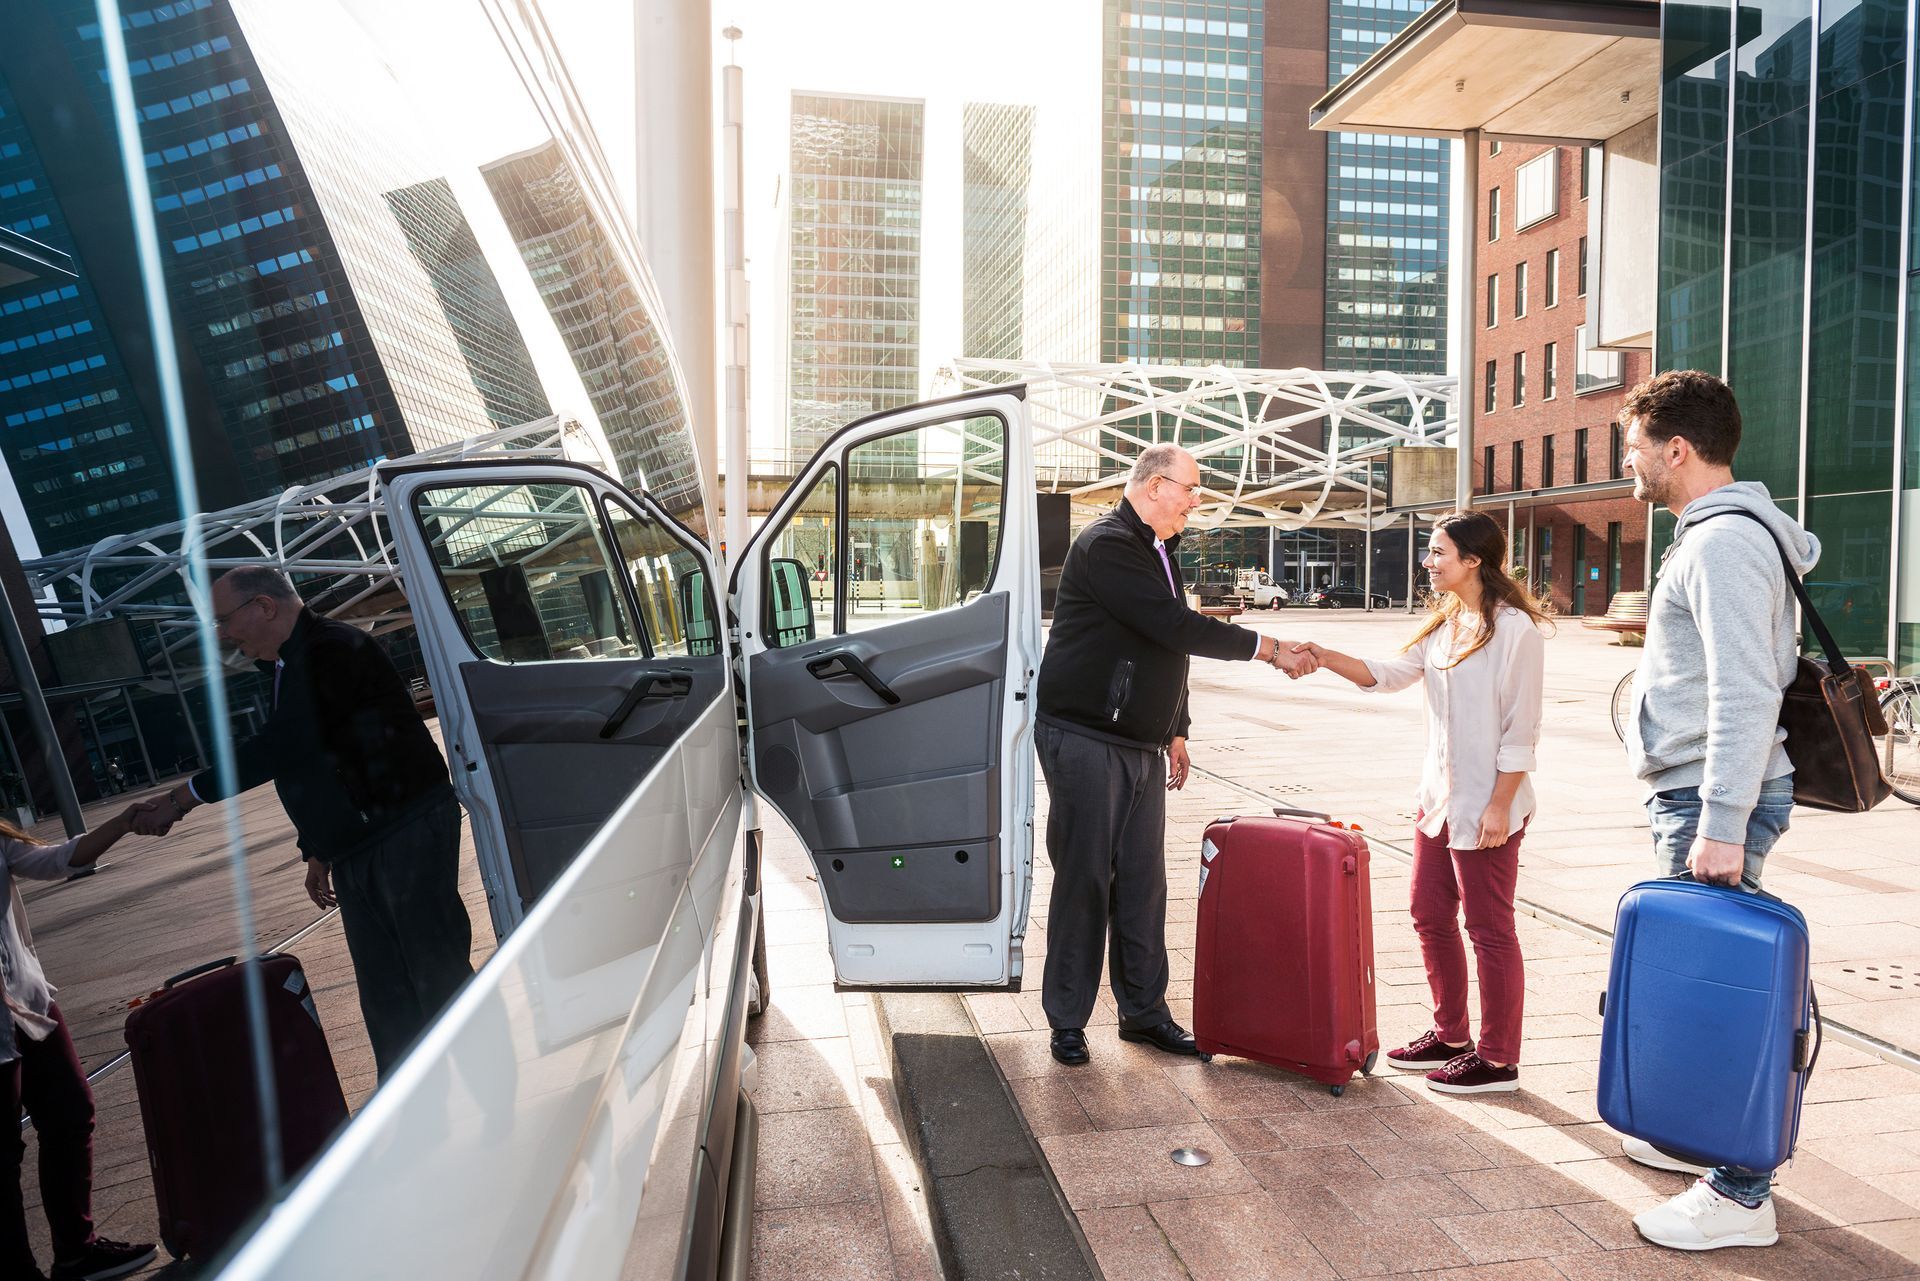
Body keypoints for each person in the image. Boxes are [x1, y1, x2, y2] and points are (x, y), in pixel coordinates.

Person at [1612, 370, 1816, 1251]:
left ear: (1676, 448)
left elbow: (1744, 691)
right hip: (1699, 788)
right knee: (1698, 977)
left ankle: (1740, 1191)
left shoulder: (1722, 543)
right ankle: (1703, 1139)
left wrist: (1722, 821)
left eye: (1634, 449)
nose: (1631, 466)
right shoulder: (1720, 535)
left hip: (1711, 794)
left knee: (1716, 988)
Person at [1033, 444, 1315, 1066]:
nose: (1195, 501)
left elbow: (1166, 648)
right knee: (1084, 878)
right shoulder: (1107, 543)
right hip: (1086, 735)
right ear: (1156, 486)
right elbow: (1172, 625)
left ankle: (1143, 1014)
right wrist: (1269, 647)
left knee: (1141, 883)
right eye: (1189, 489)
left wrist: (1176, 726)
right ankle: (1068, 1021)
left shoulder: (1159, 549)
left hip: (1136, 739)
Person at [138, 566, 473, 1079]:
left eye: (224, 620)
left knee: (435, 976)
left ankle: (489, 1095)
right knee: (387, 996)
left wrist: (186, 796)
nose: (223, 634)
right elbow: (320, 762)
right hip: (362, 841)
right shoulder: (290, 664)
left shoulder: (330, 649)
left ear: (265, 607)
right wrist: (315, 847)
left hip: (402, 829)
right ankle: (411, 1117)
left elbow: (289, 745)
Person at [1295, 511, 1548, 1095]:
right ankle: (1451, 1034)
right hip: (1437, 801)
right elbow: (1387, 675)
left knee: (1489, 928)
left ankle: (1499, 1059)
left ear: (1474, 560)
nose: (1427, 563)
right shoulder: (1444, 626)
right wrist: (1326, 655)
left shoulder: (1515, 631)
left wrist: (1498, 807)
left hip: (1488, 806)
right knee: (1429, 914)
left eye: (1438, 553)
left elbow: (1521, 732)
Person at [4, 804, 161, 1281]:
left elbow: (58, 859)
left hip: (28, 1000)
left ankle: (76, 1251)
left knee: (71, 1113)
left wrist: (122, 821)